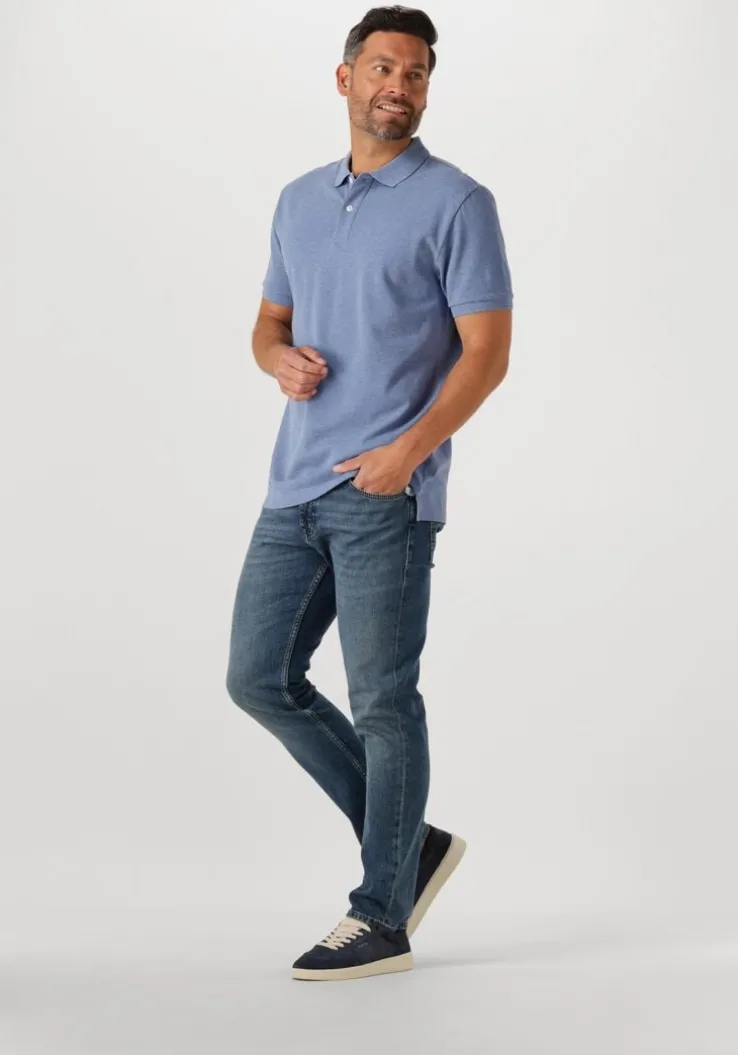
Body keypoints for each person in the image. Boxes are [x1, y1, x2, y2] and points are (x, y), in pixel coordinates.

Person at [226, 4, 513, 982]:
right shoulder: (299, 198)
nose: (401, 84)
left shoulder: (458, 202)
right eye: (384, 66)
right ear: (345, 77)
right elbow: (267, 324)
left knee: (384, 699)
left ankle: (382, 912)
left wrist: (406, 453)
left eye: (418, 72)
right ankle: (409, 844)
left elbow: (487, 353)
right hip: (294, 483)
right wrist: (276, 359)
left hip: (386, 491)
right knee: (258, 678)